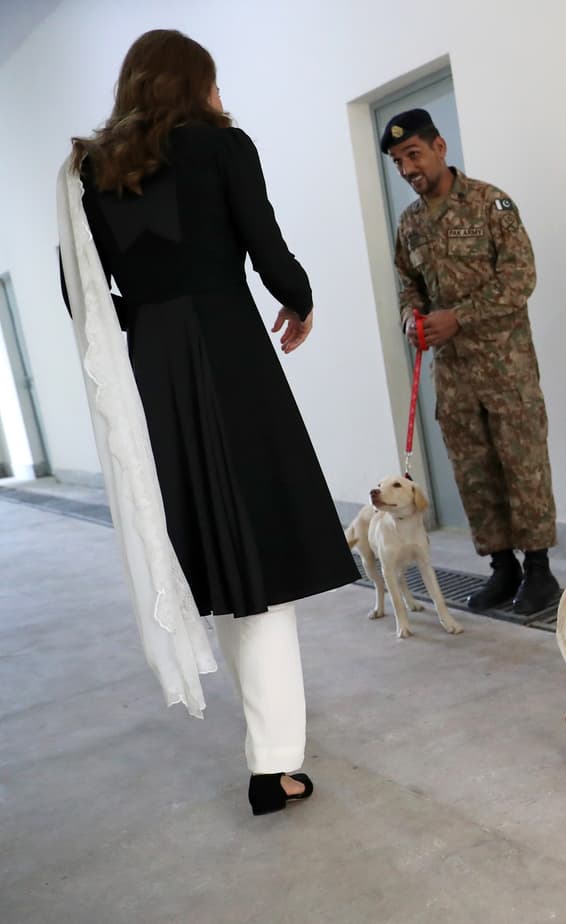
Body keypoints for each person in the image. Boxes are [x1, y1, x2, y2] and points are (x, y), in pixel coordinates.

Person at [58, 29, 357, 816]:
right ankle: (273, 764)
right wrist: (300, 298)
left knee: (218, 560)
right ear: (197, 84)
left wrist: (147, 319)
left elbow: (82, 293)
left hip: (155, 366)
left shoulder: (90, 169)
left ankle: (272, 755)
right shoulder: (222, 146)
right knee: (257, 551)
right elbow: (265, 245)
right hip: (231, 350)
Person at [381, 109, 559, 616]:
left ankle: (540, 573)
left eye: (413, 155)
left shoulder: (489, 203)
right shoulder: (410, 223)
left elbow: (520, 278)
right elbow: (407, 285)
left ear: (439, 147)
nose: (408, 169)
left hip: (505, 367)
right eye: (398, 162)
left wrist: (460, 316)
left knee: (522, 467)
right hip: (453, 373)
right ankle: (503, 569)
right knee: (474, 472)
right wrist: (410, 320)